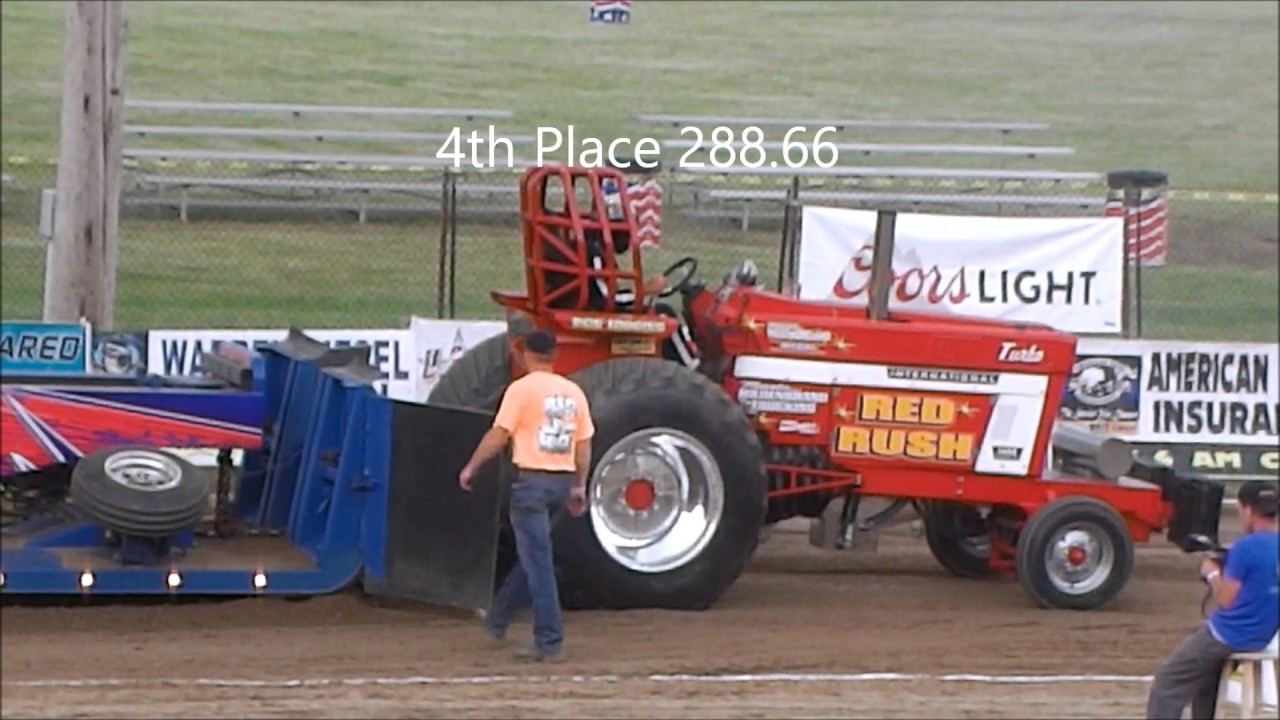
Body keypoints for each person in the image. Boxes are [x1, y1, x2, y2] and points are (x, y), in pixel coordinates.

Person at [458, 329, 594, 663]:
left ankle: (549, 640)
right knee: (534, 553)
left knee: (538, 562)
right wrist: (579, 485)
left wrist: (472, 466)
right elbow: (583, 445)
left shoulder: (520, 390)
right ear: (554, 355)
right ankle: (499, 618)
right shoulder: (573, 392)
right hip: (560, 484)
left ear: (526, 354)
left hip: (531, 483)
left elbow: (499, 434)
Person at [1145, 480, 1279, 719]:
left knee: (1167, 684)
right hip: (1262, 635)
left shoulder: (1245, 548)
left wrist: (1213, 573)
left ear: (1247, 510)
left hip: (1229, 634)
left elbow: (1226, 600)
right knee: (1207, 680)